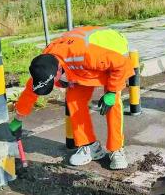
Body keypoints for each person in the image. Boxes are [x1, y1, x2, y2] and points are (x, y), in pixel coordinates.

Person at [9, 26, 134, 170]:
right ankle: (91, 147)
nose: (54, 85)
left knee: (112, 104)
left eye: (53, 82)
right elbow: (30, 92)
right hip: (80, 67)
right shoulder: (44, 65)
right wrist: (18, 119)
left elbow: (121, 64)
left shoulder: (86, 55)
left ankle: (117, 149)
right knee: (74, 99)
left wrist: (111, 92)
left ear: (59, 70)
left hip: (112, 54)